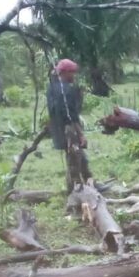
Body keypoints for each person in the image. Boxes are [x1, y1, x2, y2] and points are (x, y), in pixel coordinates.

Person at [47, 58, 91, 190]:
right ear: (65, 72)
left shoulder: (51, 87)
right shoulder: (65, 90)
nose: (74, 75)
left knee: (79, 157)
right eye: (72, 72)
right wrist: (80, 133)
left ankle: (89, 181)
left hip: (57, 128)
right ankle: (75, 190)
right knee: (74, 159)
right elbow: (69, 115)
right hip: (68, 129)